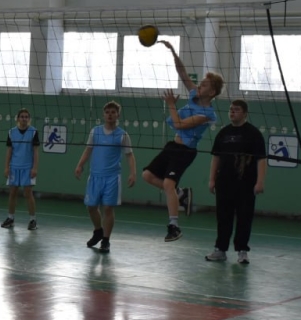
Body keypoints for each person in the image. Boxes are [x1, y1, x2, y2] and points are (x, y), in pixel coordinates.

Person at [141, 40, 223, 242]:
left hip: (185, 152)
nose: (200, 85)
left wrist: (170, 104)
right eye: (201, 83)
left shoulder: (207, 114)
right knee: (147, 175)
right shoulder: (194, 95)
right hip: (173, 146)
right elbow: (183, 73)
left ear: (212, 92)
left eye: (205, 84)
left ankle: (174, 227)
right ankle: (181, 193)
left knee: (168, 184)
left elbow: (179, 124)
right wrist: (173, 52)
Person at [206, 100, 268, 265]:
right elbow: (216, 157)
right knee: (223, 217)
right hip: (224, 183)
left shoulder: (253, 134)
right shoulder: (223, 133)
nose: (232, 112)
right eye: (231, 109)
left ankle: (242, 251)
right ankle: (220, 249)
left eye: (236, 110)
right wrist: (212, 179)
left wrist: (260, 181)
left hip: (246, 183)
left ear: (245, 113)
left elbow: (261, 160)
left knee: (244, 217)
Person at [73, 102, 137, 253]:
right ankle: (98, 231)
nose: (110, 115)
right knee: (91, 207)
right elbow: (88, 150)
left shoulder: (122, 135)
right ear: (103, 114)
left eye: (113, 112)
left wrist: (133, 173)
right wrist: (80, 165)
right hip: (95, 176)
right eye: (107, 112)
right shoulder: (95, 132)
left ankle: (106, 241)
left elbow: (129, 155)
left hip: (112, 177)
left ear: (118, 115)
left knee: (108, 208)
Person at [1, 109, 40, 230]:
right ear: (18, 118)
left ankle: (33, 220)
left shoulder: (33, 132)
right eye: (22, 116)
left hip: (27, 167)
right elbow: (9, 151)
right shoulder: (11, 132)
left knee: (28, 193)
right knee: (13, 193)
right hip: (14, 167)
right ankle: (10, 218)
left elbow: (36, 152)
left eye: (26, 117)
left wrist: (35, 168)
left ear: (29, 119)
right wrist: (6, 167)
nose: (24, 119)